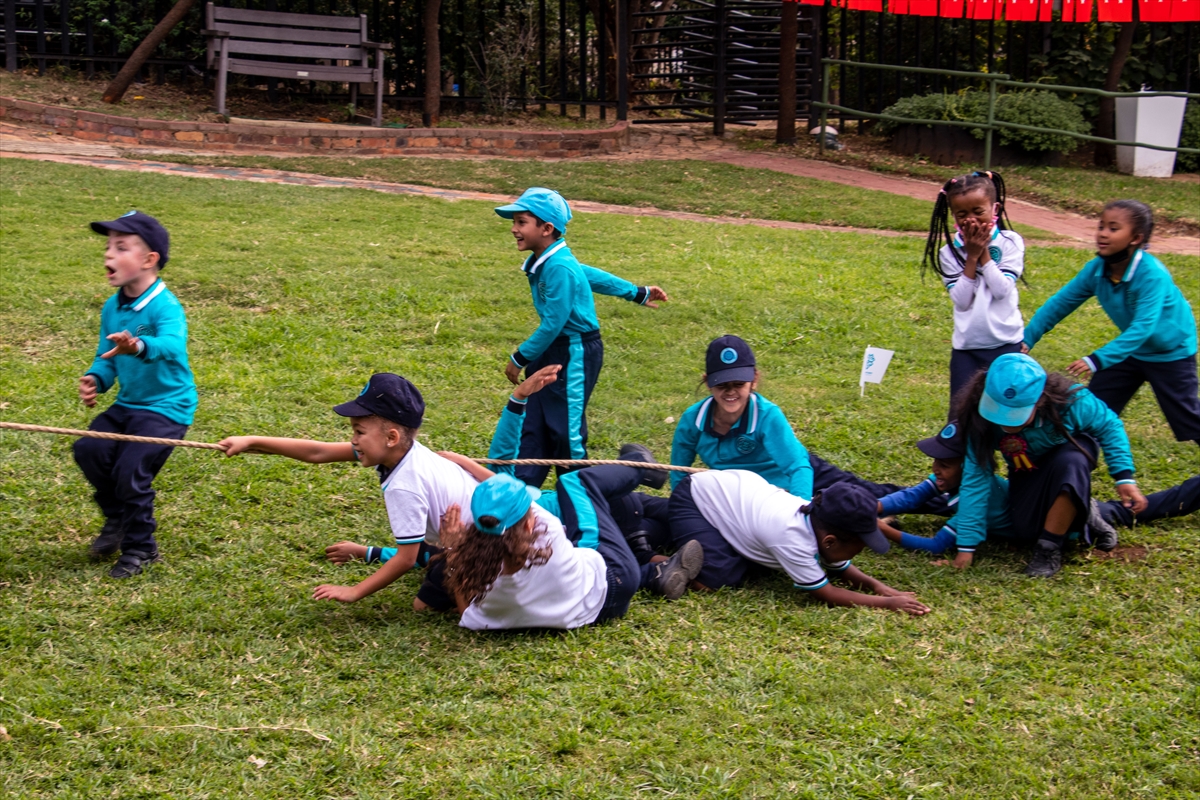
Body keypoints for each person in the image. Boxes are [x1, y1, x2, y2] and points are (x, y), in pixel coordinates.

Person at [426, 365, 703, 610]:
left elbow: (422, 555)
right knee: (679, 514)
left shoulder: (479, 536)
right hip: (602, 510)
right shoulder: (503, 507)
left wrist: (519, 398)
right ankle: (637, 467)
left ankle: (657, 569)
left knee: (656, 532)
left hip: (610, 528)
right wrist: (465, 461)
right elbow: (503, 472)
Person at [218, 373, 476, 605]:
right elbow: (317, 452)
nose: (353, 440)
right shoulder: (403, 452)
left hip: (486, 551)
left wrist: (355, 591)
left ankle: (476, 583)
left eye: (359, 431)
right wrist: (251, 441)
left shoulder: (404, 485)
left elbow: (407, 558)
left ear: (391, 437)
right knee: (432, 561)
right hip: (476, 536)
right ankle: (412, 555)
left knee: (423, 605)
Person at [494, 187, 669, 488]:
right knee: (534, 421)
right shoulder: (554, 260)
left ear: (546, 229)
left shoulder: (558, 265)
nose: (513, 229)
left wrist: (519, 358)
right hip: (554, 348)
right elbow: (588, 274)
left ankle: (581, 499)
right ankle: (522, 493)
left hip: (574, 352)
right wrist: (636, 292)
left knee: (567, 434)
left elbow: (553, 323)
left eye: (521, 222)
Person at [73, 211, 197, 579]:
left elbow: (173, 346)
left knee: (130, 470)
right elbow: (106, 354)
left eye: (121, 247)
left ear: (148, 260)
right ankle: (117, 519)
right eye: (109, 246)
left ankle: (142, 548)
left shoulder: (164, 305)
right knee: (88, 449)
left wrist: (138, 345)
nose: (109, 255)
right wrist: (97, 377)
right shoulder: (113, 307)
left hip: (168, 408)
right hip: (128, 404)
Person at [1023, 199, 1200, 449]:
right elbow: (1060, 303)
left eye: (1113, 229)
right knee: (1094, 412)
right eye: (1101, 226)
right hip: (1131, 351)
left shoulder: (1152, 275)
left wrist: (1096, 360)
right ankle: (1072, 469)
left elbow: (1143, 327)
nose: (1103, 234)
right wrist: (1027, 339)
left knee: (1188, 419)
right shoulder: (1097, 270)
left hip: (1170, 353)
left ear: (1136, 238)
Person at [954, 353, 1147, 578]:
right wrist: (965, 549)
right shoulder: (978, 417)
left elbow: (1110, 425)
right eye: (998, 410)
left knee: (1070, 461)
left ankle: (1048, 549)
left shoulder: (1073, 401)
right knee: (1026, 531)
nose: (1004, 421)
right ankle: (1085, 513)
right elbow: (975, 479)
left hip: (1071, 458)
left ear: (1040, 399)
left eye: (1015, 414)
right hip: (1027, 471)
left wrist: (1123, 476)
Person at [666, 471, 930, 615]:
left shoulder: (816, 520)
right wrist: (886, 604)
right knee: (715, 580)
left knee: (749, 565)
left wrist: (879, 587)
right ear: (829, 540)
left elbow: (839, 565)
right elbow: (825, 593)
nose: (857, 554)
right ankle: (659, 562)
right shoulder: (792, 538)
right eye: (858, 547)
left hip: (732, 496)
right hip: (697, 498)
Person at [922, 171, 1026, 408]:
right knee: (963, 415)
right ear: (954, 217)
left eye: (978, 212)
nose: (971, 220)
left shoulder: (1011, 242)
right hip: (967, 349)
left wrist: (983, 252)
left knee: (1007, 412)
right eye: (962, 214)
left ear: (994, 209)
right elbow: (961, 300)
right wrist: (971, 257)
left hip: (1006, 344)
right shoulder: (947, 253)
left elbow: (1002, 290)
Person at [670, 335, 814, 499]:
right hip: (733, 499)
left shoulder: (768, 415)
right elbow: (679, 473)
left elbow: (798, 467)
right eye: (721, 384)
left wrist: (798, 513)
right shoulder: (692, 420)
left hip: (779, 494)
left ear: (754, 380)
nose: (730, 391)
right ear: (708, 383)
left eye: (739, 384)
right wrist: (680, 506)